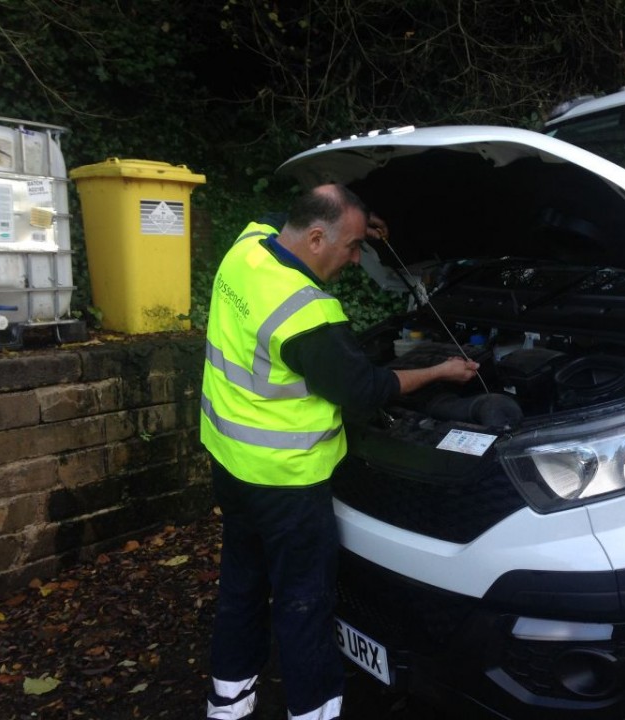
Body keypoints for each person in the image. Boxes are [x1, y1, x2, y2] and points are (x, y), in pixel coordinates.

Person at [200, 183, 479, 720]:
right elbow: (366, 391)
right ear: (315, 237)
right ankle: (314, 712)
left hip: (231, 463)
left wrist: (361, 219)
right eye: (351, 247)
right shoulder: (308, 315)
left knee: (242, 584)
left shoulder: (247, 246)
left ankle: (227, 701)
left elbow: (281, 212)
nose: (356, 258)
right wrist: (441, 371)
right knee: (305, 604)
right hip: (288, 484)